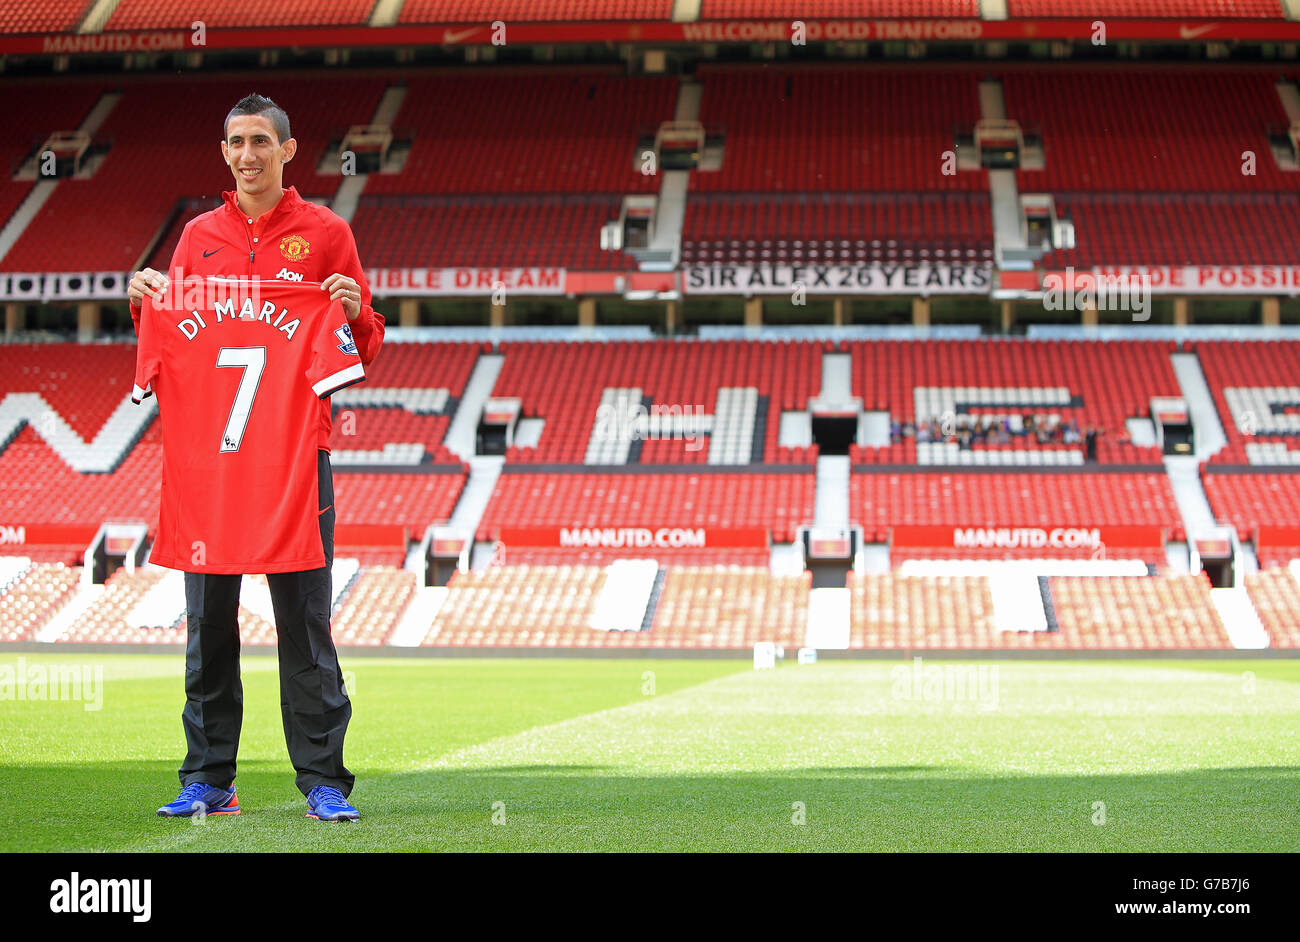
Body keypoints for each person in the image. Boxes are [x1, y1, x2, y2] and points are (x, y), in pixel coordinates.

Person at [127, 93, 385, 822]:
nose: (248, 154)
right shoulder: (195, 237)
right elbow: (173, 337)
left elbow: (363, 346)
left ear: (288, 150)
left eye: (261, 142)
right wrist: (142, 300)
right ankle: (210, 779)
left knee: (304, 621)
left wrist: (353, 309)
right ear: (224, 152)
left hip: (296, 460)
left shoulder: (327, 232)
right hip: (210, 462)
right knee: (208, 622)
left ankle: (324, 780)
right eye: (237, 141)